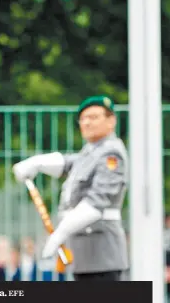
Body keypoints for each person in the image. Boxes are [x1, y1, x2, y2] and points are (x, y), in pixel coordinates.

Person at [12, 95, 129, 281]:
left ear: (111, 121)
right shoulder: (90, 152)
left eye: (94, 117)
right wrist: (35, 163)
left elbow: (98, 200)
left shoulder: (111, 153)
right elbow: (66, 163)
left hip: (102, 254)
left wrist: (61, 232)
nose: (87, 123)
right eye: (83, 119)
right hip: (85, 255)